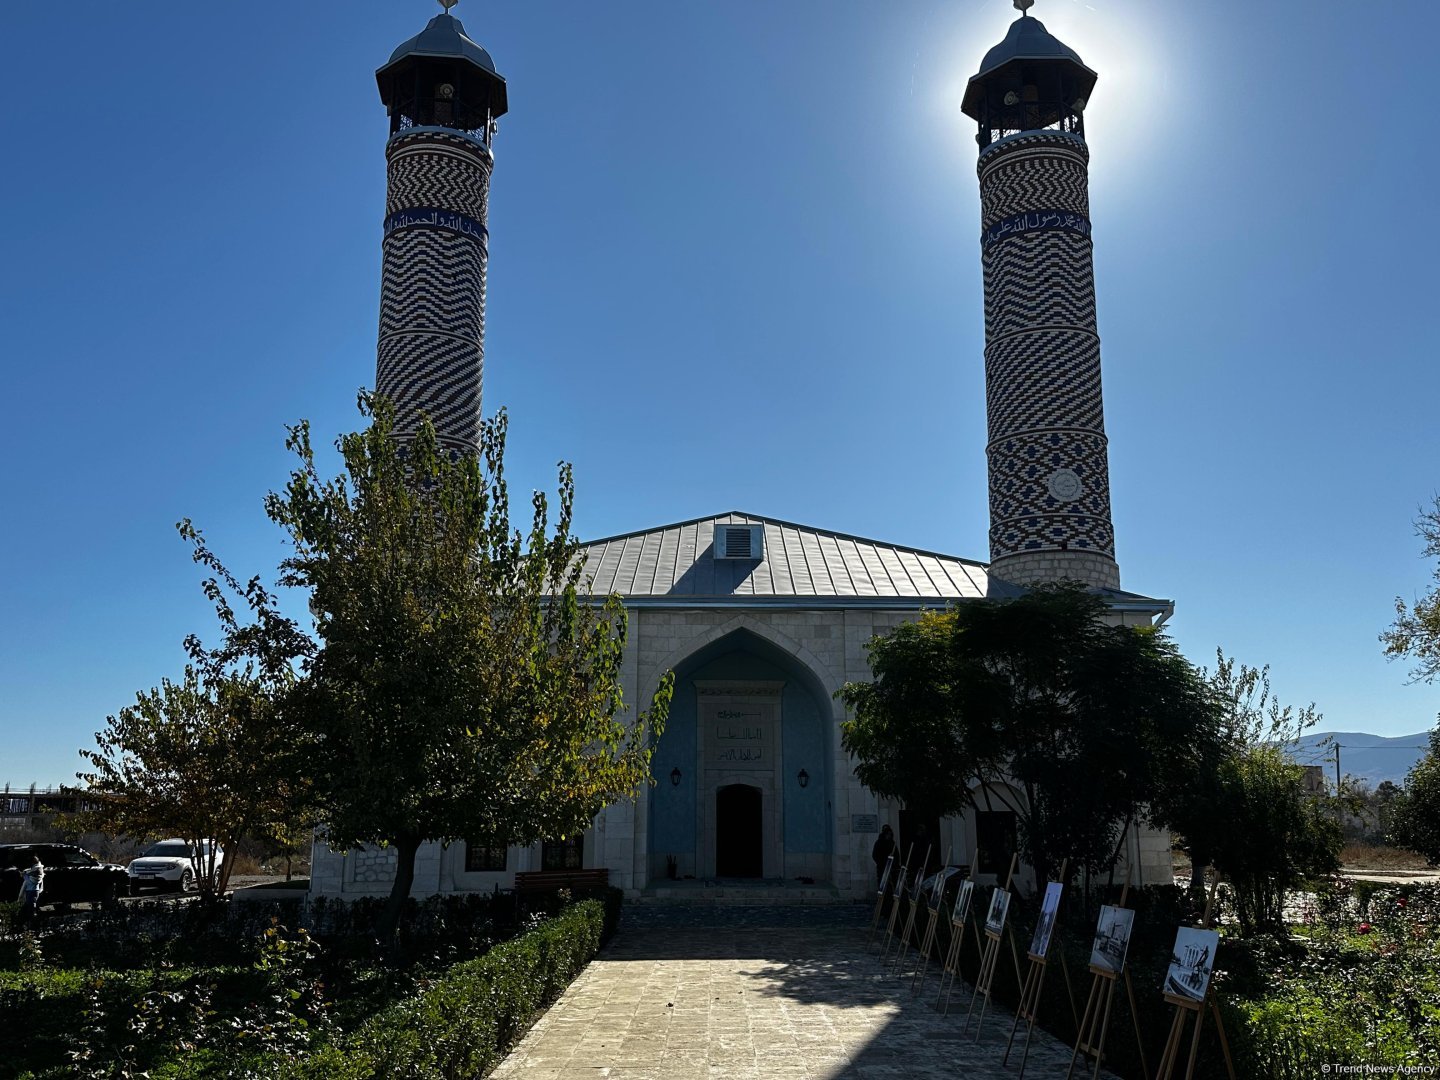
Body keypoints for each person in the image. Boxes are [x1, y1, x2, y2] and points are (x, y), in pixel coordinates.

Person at [16, 855, 44, 926]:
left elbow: (28, 880)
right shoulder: (39, 873)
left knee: (30, 909)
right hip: (35, 891)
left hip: (31, 892)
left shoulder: (31, 876)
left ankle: (33, 924)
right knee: (31, 908)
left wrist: (23, 874)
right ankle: (31, 924)